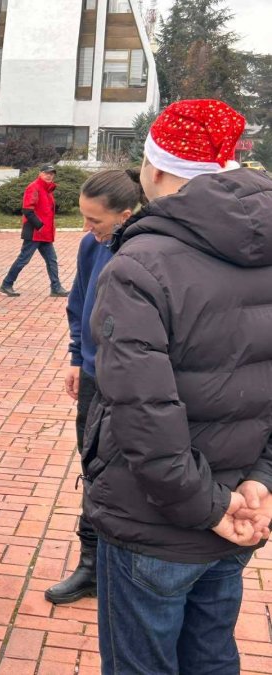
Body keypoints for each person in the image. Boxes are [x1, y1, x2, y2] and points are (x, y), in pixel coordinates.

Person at [84, 99, 272, 674]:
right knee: (211, 657)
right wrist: (259, 481)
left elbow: (142, 409)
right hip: (236, 502)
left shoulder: (141, 263)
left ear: (157, 167)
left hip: (159, 519)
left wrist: (207, 508)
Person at [45, 169, 146, 605]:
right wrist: (74, 357)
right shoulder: (92, 247)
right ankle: (91, 566)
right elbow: (78, 302)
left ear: (126, 215)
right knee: (94, 470)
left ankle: (127, 566)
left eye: (96, 221)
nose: (88, 229)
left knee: (136, 471)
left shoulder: (145, 249)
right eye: (83, 219)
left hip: (135, 381)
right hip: (91, 377)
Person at [0, 164, 69, 298]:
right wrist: (40, 226)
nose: (49, 175)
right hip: (34, 232)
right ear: (40, 173)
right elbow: (27, 210)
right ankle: (7, 284)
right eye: (47, 173)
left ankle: (56, 288)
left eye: (52, 173)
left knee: (52, 260)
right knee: (23, 259)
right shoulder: (34, 187)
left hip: (44, 234)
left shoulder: (47, 189)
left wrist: (45, 228)